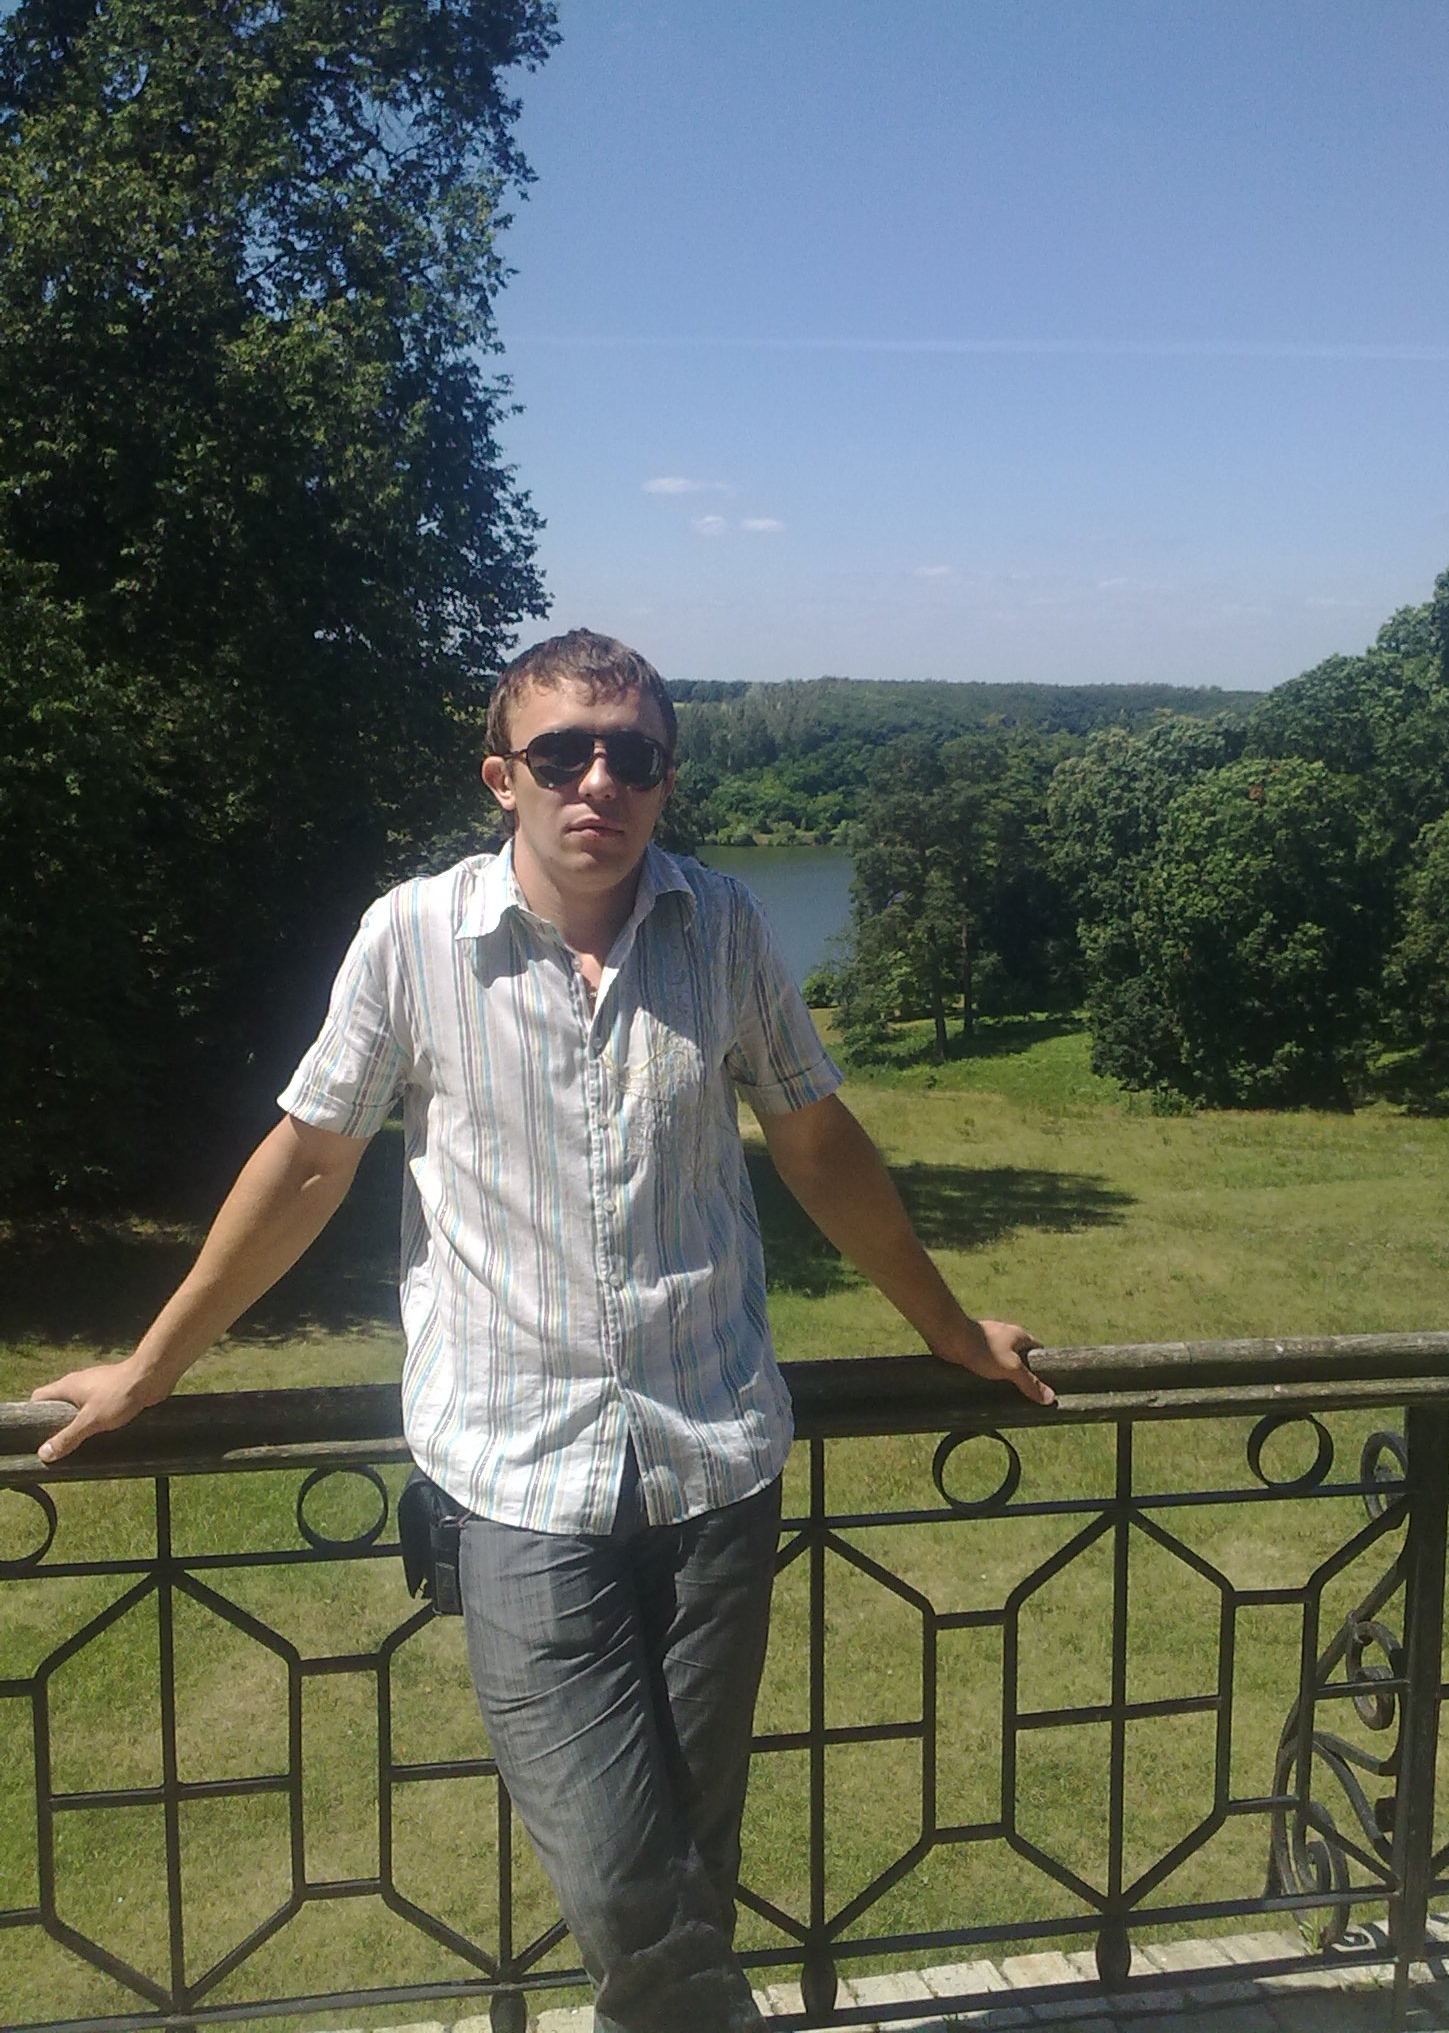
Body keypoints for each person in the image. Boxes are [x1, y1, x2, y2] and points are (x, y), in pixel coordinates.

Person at [33, 629, 1054, 2033]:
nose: (599, 782)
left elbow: (817, 1144)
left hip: (715, 1470)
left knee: (686, 1866)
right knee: (634, 1893)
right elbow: (311, 1162)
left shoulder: (723, 927)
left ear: (666, 778)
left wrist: (946, 1328)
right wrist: (155, 1368)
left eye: (633, 755)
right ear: (500, 777)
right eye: (563, 752)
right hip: (517, 1489)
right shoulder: (413, 938)